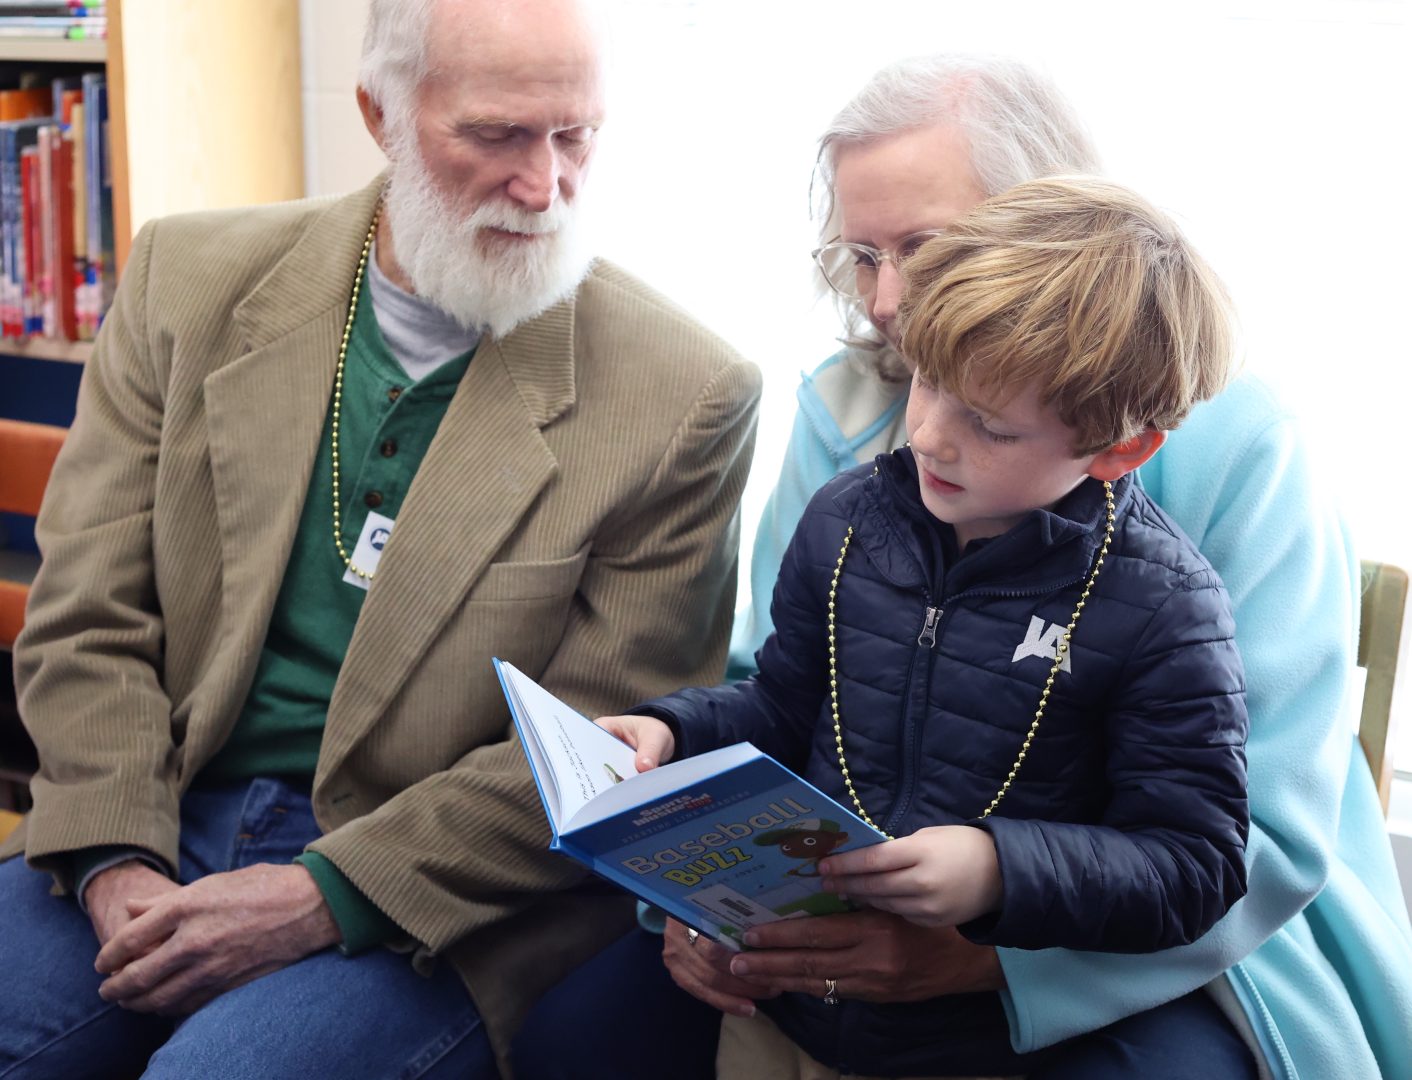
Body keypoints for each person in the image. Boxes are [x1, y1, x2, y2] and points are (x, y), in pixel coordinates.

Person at [517, 54, 1412, 1080]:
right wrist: (700, 895)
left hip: (1168, 948)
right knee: (578, 1042)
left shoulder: (1239, 452)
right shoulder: (851, 420)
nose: (888, 302)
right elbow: (780, 697)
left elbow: (1245, 845)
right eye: (860, 254)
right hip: (847, 900)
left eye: (924, 248)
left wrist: (981, 957)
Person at [0, 0, 761, 1076]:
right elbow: (88, 611)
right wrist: (118, 859)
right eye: (495, 136)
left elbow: (597, 743)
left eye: (575, 135)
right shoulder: (186, 281)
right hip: (163, 802)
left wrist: (323, 895)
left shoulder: (682, 393)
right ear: (380, 113)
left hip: (431, 890)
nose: (544, 188)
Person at [598, 175, 1251, 1078]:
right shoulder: (845, 519)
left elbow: (1194, 867)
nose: (934, 437)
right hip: (785, 1010)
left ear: (1119, 449)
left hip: (971, 1046)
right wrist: (673, 731)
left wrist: (997, 869)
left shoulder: (1166, 609)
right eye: (928, 383)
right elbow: (784, 709)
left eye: (989, 426)